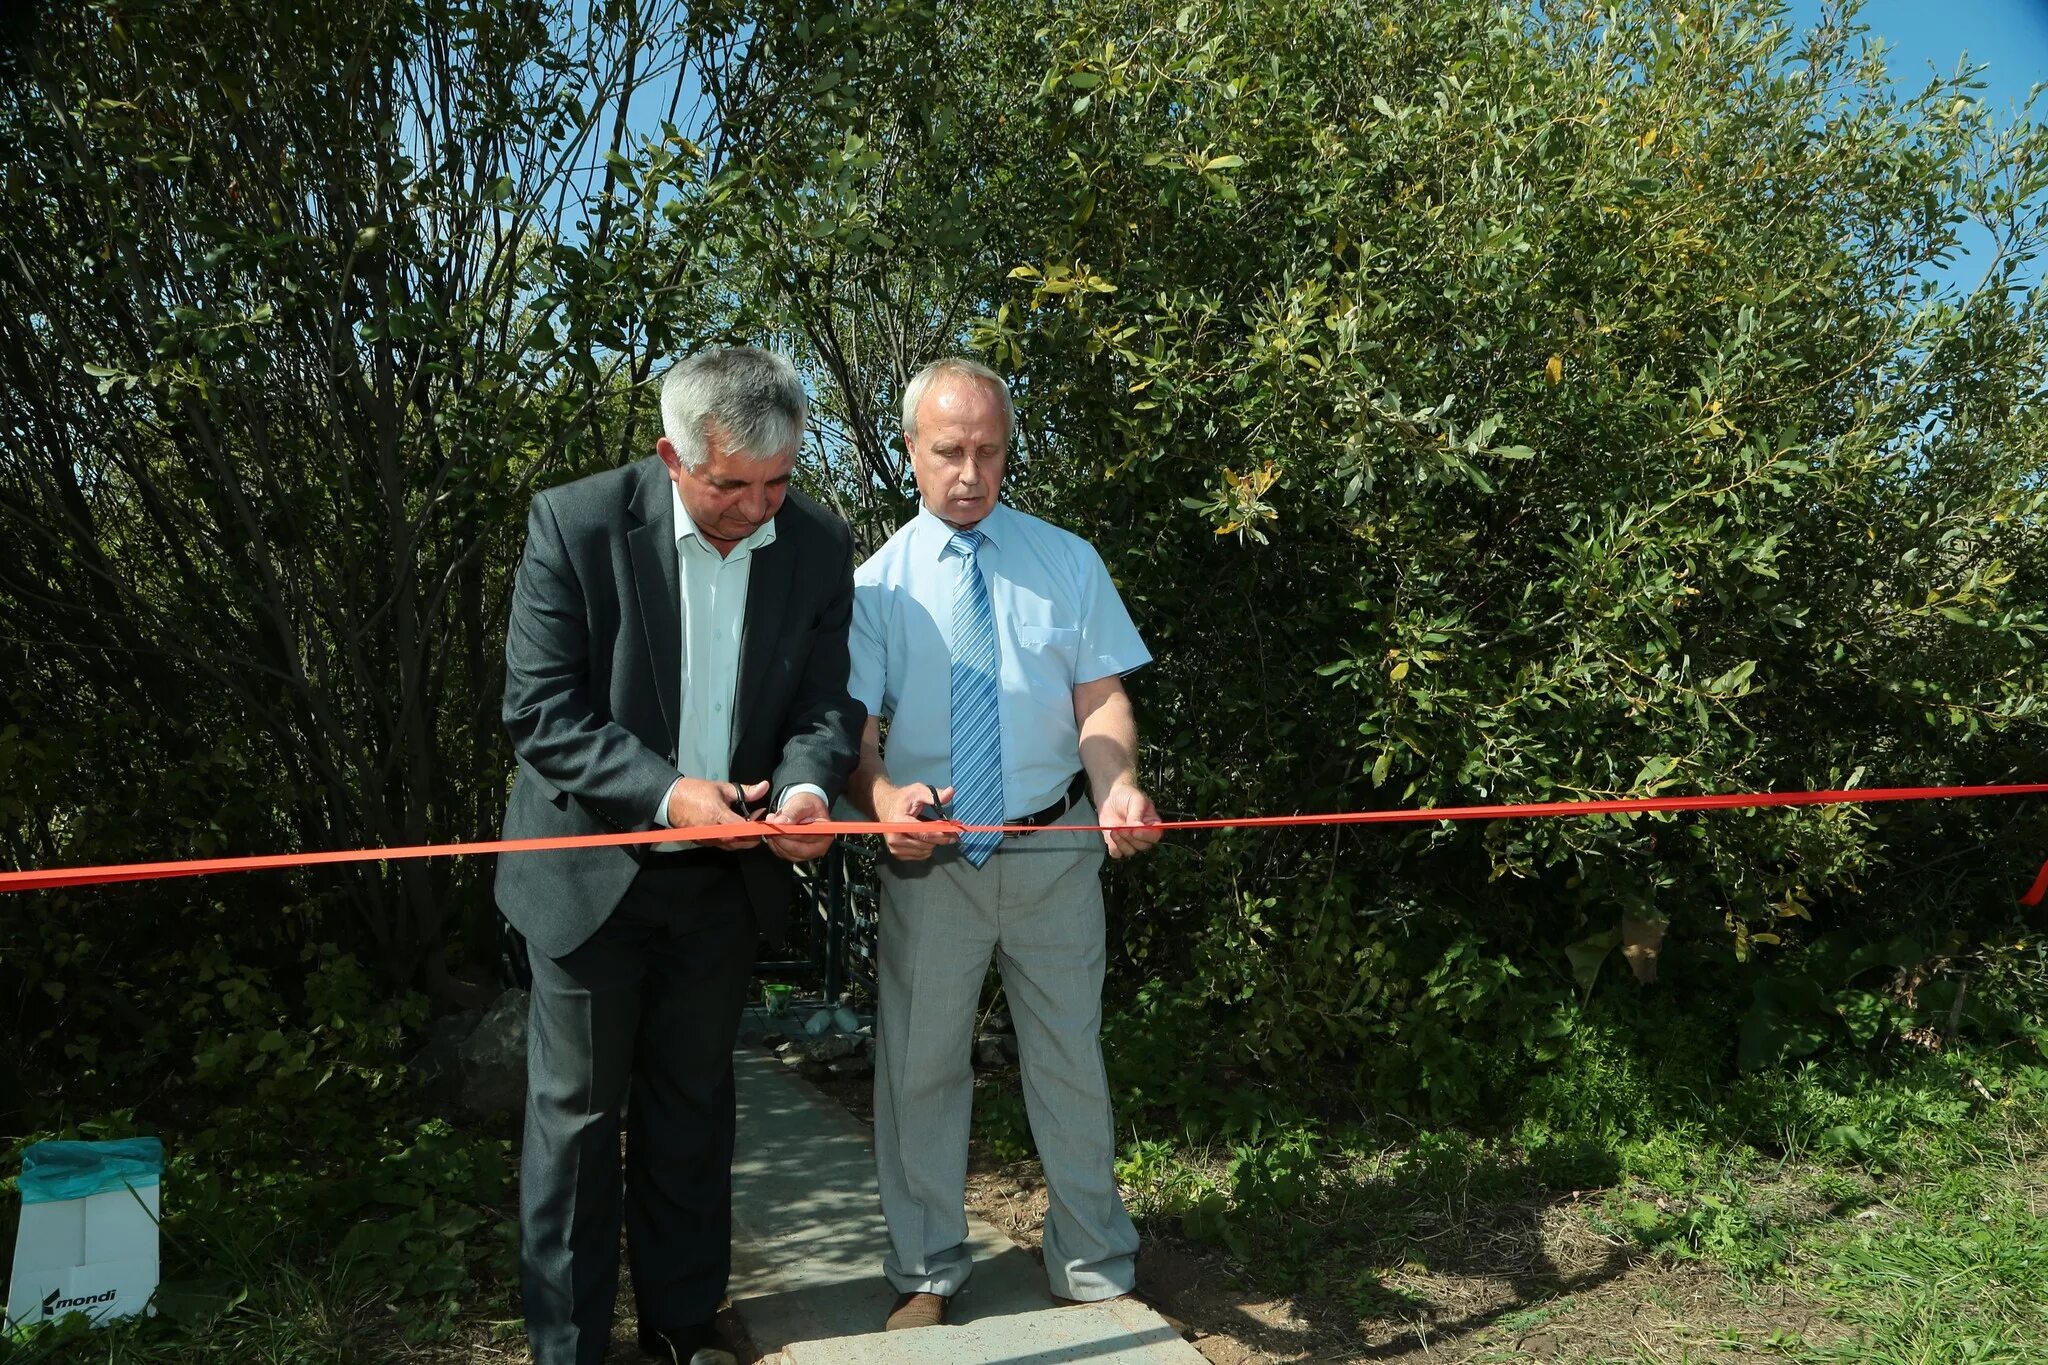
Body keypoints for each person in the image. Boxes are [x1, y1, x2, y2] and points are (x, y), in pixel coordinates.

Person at [495, 347, 863, 1365]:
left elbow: (826, 707)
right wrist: (667, 794)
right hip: (585, 881)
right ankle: (568, 1348)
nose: (760, 507)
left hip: (724, 890)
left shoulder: (817, 543)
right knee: (574, 1131)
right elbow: (539, 710)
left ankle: (681, 1333)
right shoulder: (573, 524)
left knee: (693, 1114)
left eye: (779, 481)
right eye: (732, 484)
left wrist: (800, 791)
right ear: (671, 454)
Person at [846, 356, 1164, 1331]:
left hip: (1054, 841)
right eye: (948, 452)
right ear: (909, 451)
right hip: (931, 863)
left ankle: (1093, 1264)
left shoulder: (1064, 561)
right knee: (919, 1066)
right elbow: (852, 739)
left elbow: (1100, 696)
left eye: (988, 451)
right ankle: (926, 1272)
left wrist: (1117, 789)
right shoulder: (873, 588)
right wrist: (884, 799)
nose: (969, 473)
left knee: (1067, 1055)